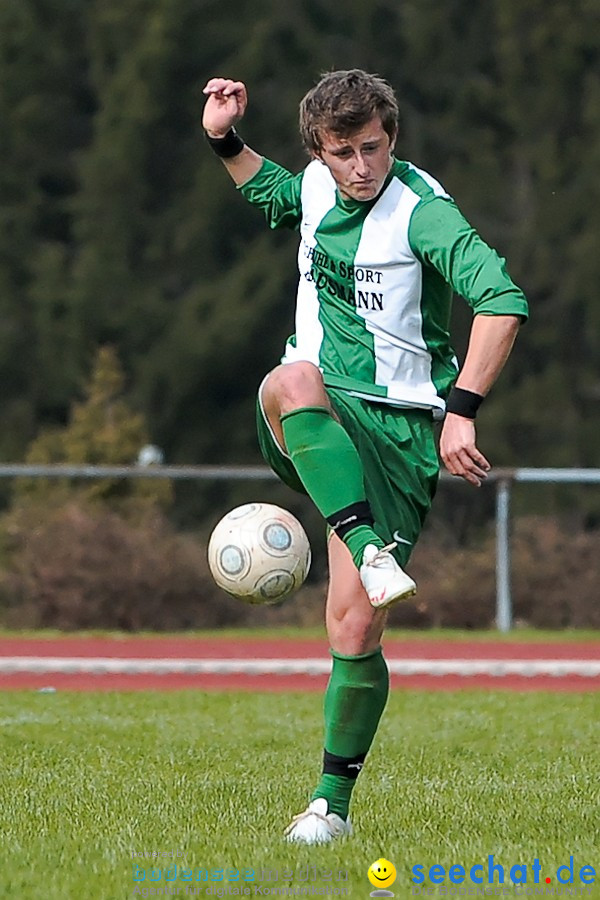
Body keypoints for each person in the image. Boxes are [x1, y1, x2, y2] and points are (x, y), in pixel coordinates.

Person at [202, 69, 528, 843]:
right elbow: (275, 194)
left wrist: (462, 413)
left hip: (402, 433)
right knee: (290, 376)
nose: (360, 167)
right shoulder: (315, 185)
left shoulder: (424, 213)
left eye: (373, 148)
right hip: (314, 406)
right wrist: (223, 138)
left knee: (354, 631)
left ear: (393, 138)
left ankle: (328, 810)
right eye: (343, 152)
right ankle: (366, 545)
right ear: (320, 148)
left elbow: (503, 301)